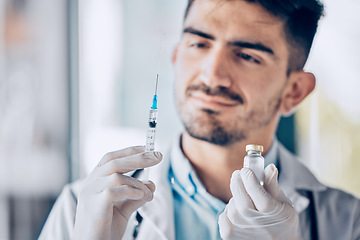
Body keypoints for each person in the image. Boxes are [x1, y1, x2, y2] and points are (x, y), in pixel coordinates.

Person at [40, 0, 360, 239]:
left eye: (247, 55)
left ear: (294, 91)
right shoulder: (80, 209)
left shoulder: (345, 222)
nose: (211, 73)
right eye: (199, 43)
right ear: (177, 56)